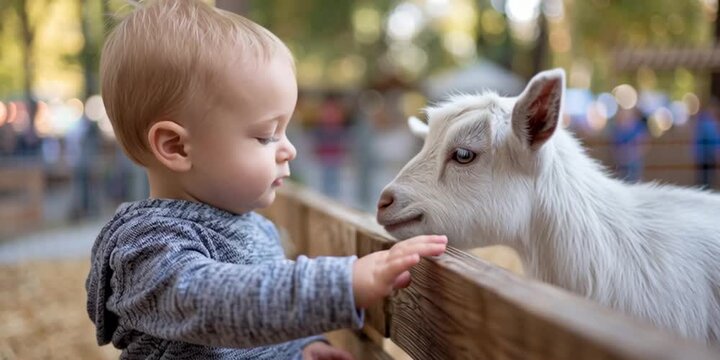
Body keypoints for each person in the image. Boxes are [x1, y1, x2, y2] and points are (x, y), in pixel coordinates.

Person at [84, 1, 447, 360]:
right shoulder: (148, 250)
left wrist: (299, 347)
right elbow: (223, 307)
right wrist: (343, 284)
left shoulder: (255, 228)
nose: (288, 150)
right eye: (266, 136)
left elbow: (262, 323)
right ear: (177, 146)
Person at [610, 107, 648, 182]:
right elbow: (615, 145)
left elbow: (642, 142)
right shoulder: (618, 129)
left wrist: (635, 153)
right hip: (621, 160)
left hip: (634, 159)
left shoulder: (637, 127)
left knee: (634, 179)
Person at [693, 99, 720, 188]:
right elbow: (712, 139)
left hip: (705, 156)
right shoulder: (708, 122)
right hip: (706, 156)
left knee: (706, 178)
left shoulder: (707, 121)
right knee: (705, 178)